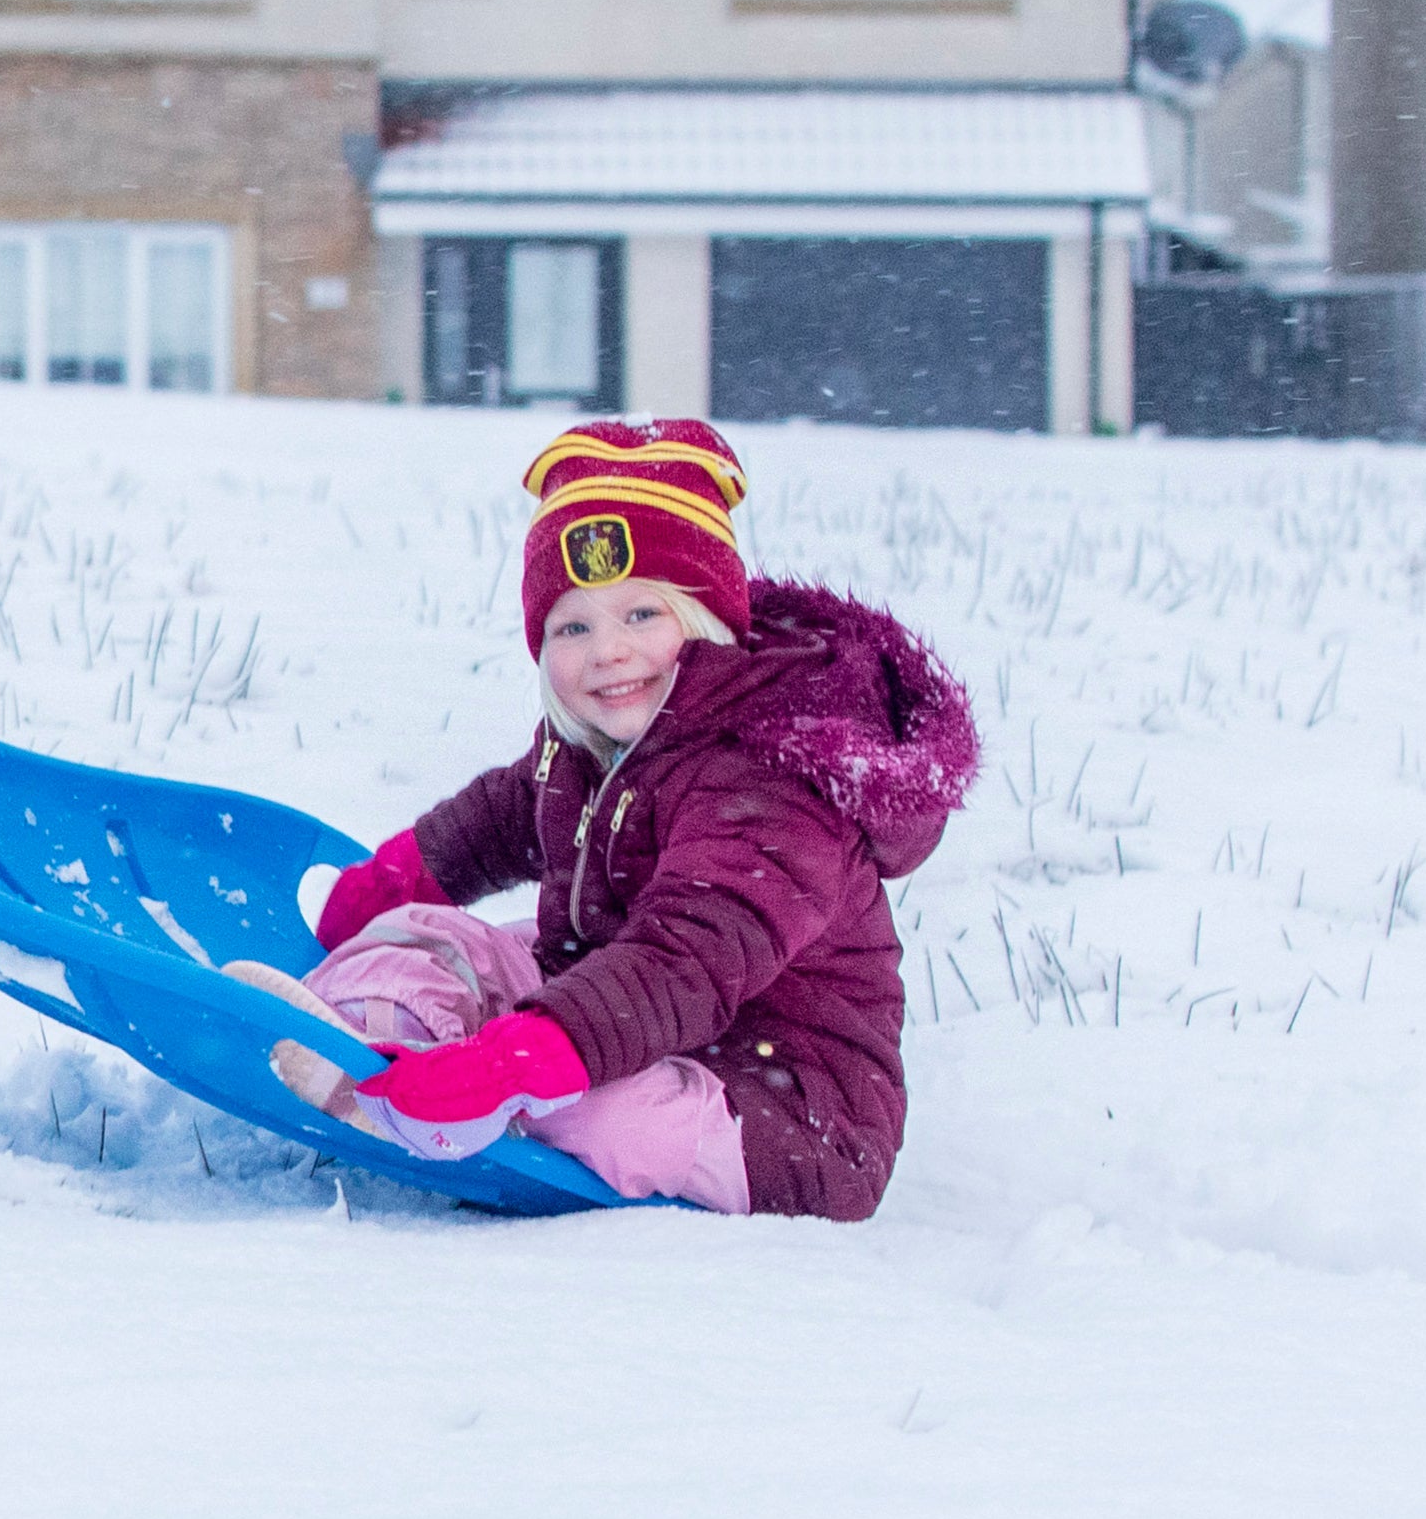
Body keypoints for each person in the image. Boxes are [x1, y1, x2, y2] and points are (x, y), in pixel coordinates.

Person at [239, 419, 975, 1218]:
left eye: (642, 617)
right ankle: (387, 1059)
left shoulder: (773, 785)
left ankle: (470, 1093)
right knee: (427, 935)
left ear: (708, 624)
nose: (607, 652)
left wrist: (521, 1057)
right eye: (573, 626)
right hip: (614, 1007)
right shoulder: (600, 736)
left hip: (785, 1108)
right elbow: (512, 808)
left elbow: (684, 961)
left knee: (609, 1114)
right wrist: (399, 876)